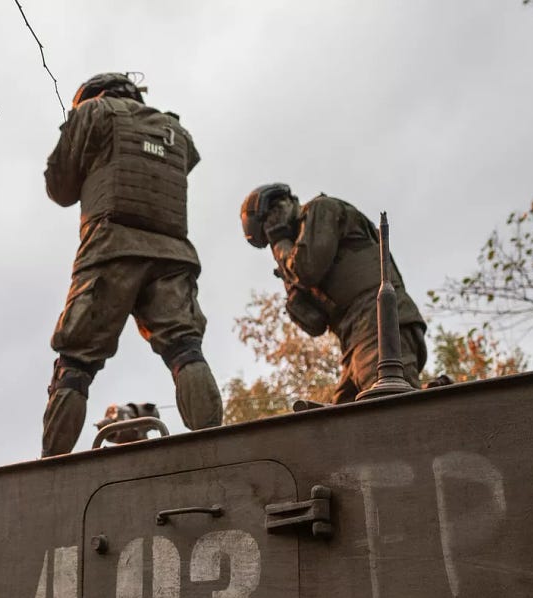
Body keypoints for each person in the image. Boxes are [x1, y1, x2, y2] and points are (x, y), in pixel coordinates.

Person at [41, 72, 223, 457]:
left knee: (75, 361)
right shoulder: (177, 132)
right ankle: (217, 449)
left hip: (109, 248)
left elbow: (59, 188)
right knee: (185, 349)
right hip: (173, 255)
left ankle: (51, 466)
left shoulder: (93, 112)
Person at [240, 184, 428, 402]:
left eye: (271, 222)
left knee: (393, 407)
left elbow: (308, 268)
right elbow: (315, 324)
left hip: (377, 319)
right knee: (337, 422)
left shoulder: (321, 210)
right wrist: (293, 292)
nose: (272, 231)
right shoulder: (296, 249)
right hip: (354, 338)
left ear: (282, 203)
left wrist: (281, 244)